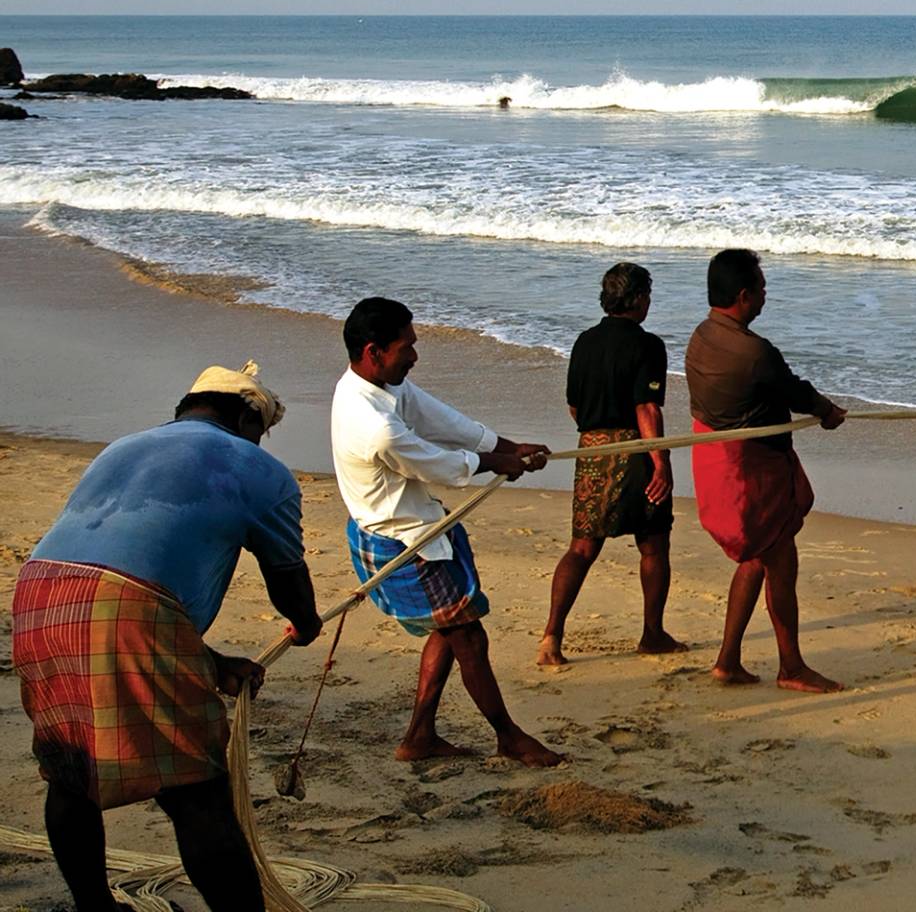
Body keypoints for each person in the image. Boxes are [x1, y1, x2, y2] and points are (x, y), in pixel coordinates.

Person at [14, 362, 322, 912]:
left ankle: (95, 908)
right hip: (130, 611)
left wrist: (205, 659)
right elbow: (287, 577)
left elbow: (110, 566)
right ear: (248, 418)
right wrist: (306, 624)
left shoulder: (123, 447)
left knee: (69, 771)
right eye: (261, 429)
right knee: (195, 790)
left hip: (40, 591)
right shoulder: (257, 466)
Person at [330, 296, 560, 766]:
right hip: (400, 544)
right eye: (406, 347)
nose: (414, 355)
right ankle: (508, 737)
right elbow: (435, 462)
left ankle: (419, 737)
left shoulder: (378, 385)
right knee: (468, 636)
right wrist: (501, 462)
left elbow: (437, 418)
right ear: (374, 351)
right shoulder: (373, 424)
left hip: (421, 529)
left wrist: (507, 445)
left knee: (449, 631)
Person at [684, 249, 847, 692]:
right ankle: (791, 667)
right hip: (749, 471)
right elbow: (795, 392)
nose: (765, 294)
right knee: (779, 561)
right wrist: (827, 411)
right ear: (742, 296)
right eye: (760, 287)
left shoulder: (699, 336)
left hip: (717, 465)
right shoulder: (755, 352)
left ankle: (727, 660)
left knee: (756, 560)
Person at [538, 262, 683, 667]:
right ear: (636, 299)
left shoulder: (583, 341)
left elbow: (574, 406)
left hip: (591, 449)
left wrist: (596, 439)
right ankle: (652, 634)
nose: (650, 302)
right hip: (635, 449)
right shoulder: (648, 345)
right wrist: (661, 462)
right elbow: (646, 408)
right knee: (653, 544)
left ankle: (551, 636)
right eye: (647, 295)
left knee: (582, 548)